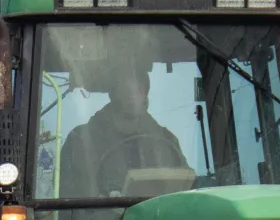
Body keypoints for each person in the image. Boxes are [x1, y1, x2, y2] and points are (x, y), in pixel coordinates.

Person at [57, 61, 192, 200]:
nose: (132, 95)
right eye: (126, 89)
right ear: (113, 94)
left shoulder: (167, 142)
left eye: (138, 89)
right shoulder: (80, 141)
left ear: (145, 94)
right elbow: (70, 205)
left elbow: (187, 190)